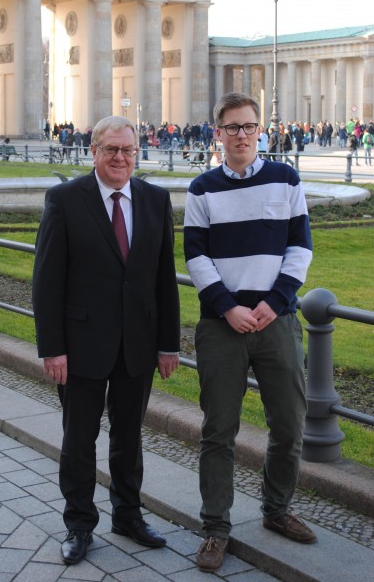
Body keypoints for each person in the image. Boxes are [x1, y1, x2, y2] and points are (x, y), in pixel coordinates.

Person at [32, 115, 180, 566]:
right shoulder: (65, 200)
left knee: (129, 436)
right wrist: (52, 347)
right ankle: (79, 523)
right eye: (111, 150)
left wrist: (168, 343)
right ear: (93, 151)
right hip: (80, 346)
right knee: (79, 438)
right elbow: (46, 281)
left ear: (138, 153)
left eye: (128, 151)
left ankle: (128, 515)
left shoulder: (155, 200)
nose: (120, 158)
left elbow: (164, 280)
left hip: (137, 343)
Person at [184, 92, 315, 573]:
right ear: (217, 133)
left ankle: (276, 510)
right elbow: (196, 256)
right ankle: (216, 527)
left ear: (260, 130)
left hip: (276, 321)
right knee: (219, 431)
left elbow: (300, 248)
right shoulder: (202, 189)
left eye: (249, 126)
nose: (241, 134)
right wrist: (227, 307)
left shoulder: (286, 179)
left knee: (289, 425)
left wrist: (272, 302)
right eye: (232, 127)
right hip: (223, 326)